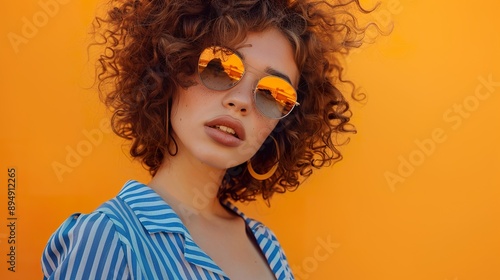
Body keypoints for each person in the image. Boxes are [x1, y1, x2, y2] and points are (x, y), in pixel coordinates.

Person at [42, 0, 375, 279]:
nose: (241, 100)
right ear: (171, 69)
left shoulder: (268, 248)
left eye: (275, 94)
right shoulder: (109, 237)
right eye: (220, 66)